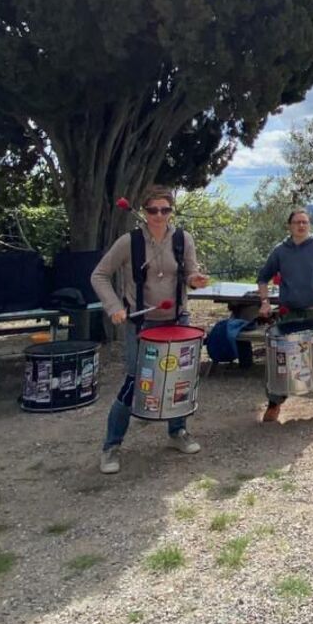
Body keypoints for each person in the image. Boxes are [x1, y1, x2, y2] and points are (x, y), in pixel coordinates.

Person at [92, 186, 208, 474]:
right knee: (134, 382)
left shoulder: (183, 239)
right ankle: (111, 446)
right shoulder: (128, 242)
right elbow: (99, 275)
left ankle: (177, 432)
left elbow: (191, 273)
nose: (159, 215)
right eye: (153, 210)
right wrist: (114, 306)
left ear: (172, 211)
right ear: (143, 211)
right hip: (141, 323)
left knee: (178, 380)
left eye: (165, 210)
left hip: (177, 320)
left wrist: (196, 279)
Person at [257, 206, 313, 422]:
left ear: (309, 225)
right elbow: (263, 277)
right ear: (290, 226)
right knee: (282, 359)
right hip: (289, 315)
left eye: (305, 222)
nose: (301, 225)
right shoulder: (280, 250)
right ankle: (275, 402)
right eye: (297, 222)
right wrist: (265, 302)